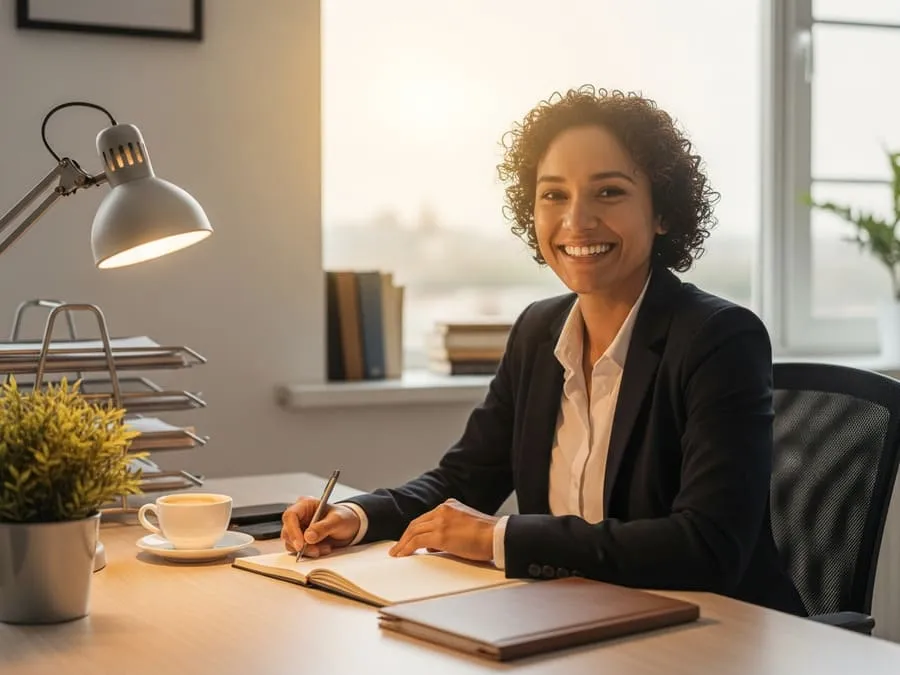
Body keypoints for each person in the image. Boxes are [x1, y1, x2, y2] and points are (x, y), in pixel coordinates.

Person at [281, 85, 807, 615]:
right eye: (554, 194)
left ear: (662, 212)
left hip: (715, 636)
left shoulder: (719, 339)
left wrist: (498, 539)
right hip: (575, 622)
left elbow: (707, 547)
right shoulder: (538, 330)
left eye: (609, 193)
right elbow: (463, 479)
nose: (576, 221)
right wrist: (356, 516)